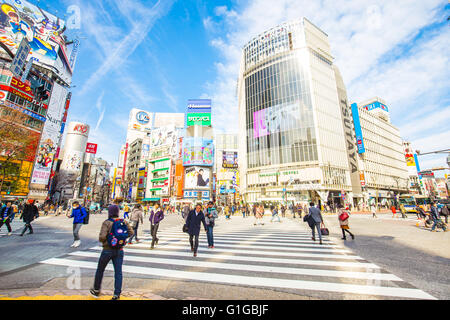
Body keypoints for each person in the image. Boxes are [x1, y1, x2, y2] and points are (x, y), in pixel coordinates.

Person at [90, 205, 134, 300]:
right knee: (118, 272)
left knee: (100, 270)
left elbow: (102, 237)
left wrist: (108, 240)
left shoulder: (107, 222)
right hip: (119, 250)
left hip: (107, 249)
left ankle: (96, 290)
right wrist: (122, 238)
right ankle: (116, 294)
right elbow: (131, 232)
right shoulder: (123, 221)